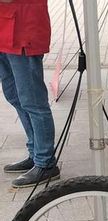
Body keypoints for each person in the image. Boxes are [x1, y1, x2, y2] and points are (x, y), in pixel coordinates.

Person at [0, 0, 60, 188]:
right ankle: (35, 152)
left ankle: (45, 162)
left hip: (23, 29)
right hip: (5, 29)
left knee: (33, 101)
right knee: (14, 96)